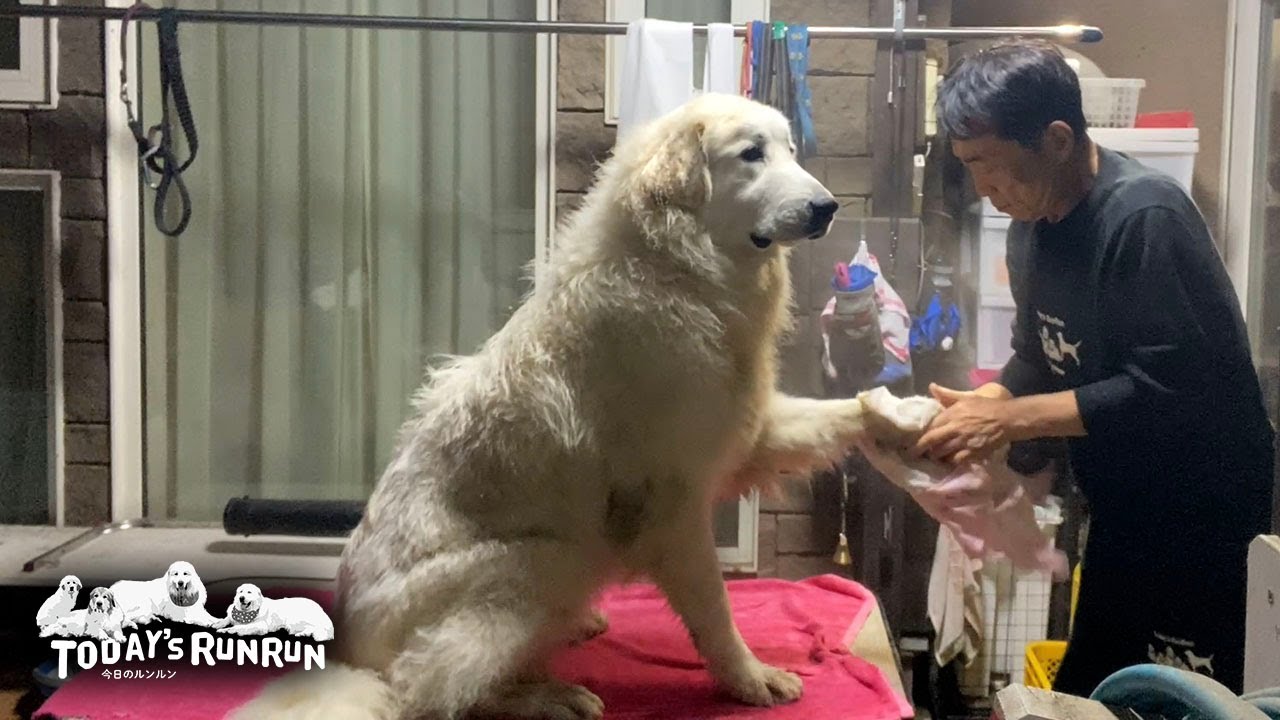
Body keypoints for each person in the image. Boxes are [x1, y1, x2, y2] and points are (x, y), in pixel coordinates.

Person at [919, 39, 1276, 697]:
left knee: (1188, 701)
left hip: (1203, 521)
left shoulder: (1144, 217)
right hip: (1122, 509)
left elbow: (1171, 389)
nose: (983, 189)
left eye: (990, 166)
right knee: (1092, 689)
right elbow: (1038, 354)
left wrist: (1008, 420)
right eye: (969, 167)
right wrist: (983, 405)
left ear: (1056, 139)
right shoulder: (1034, 227)